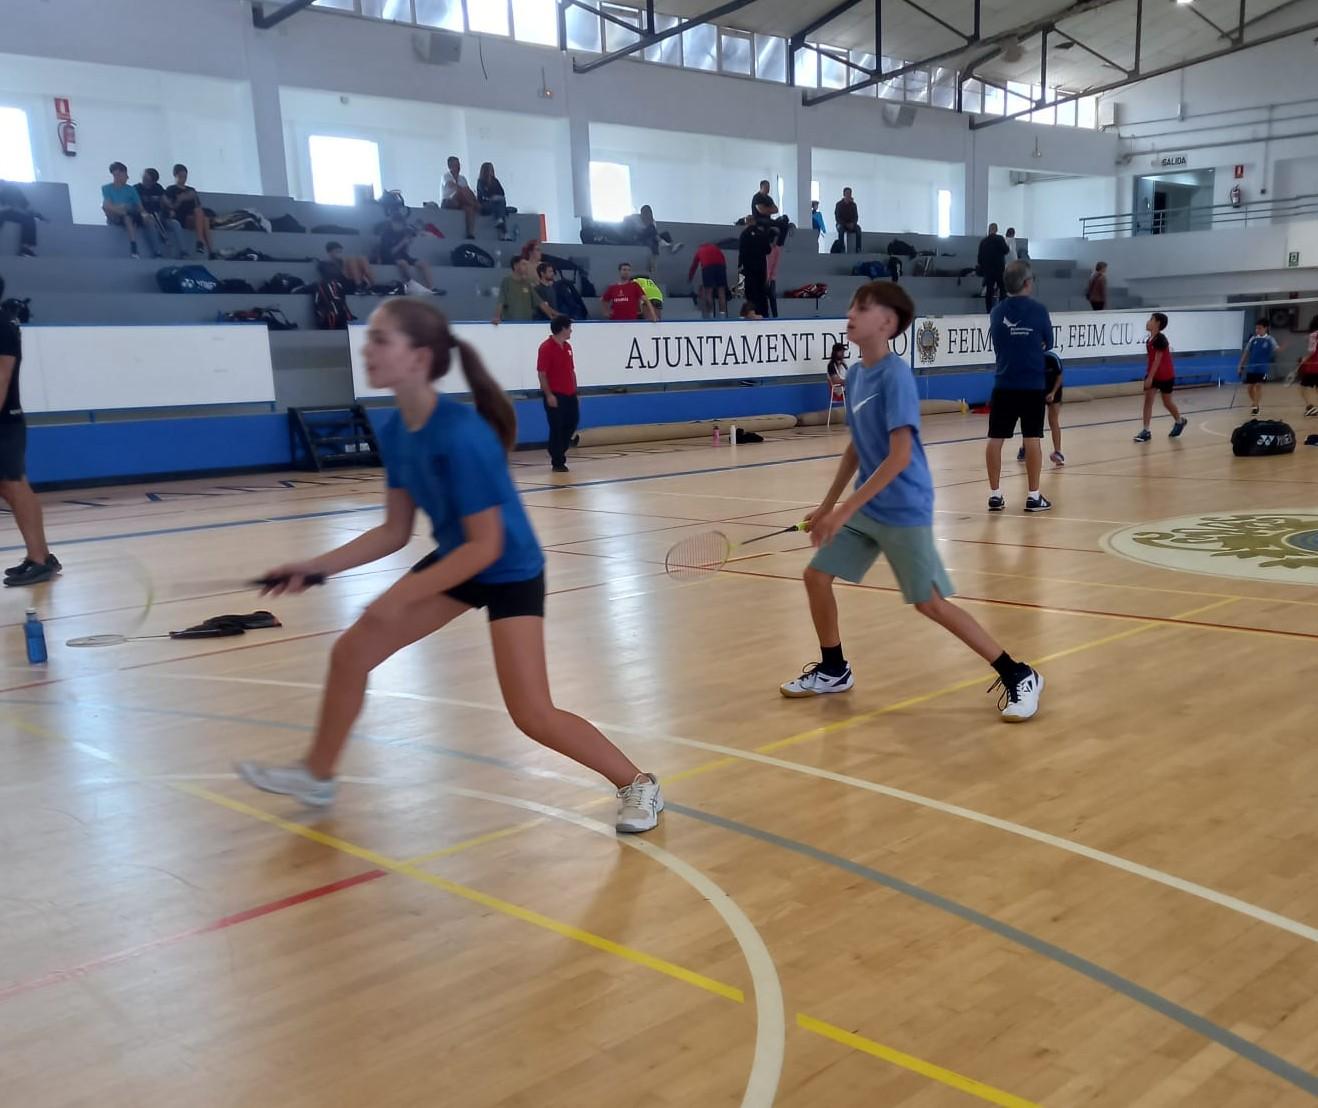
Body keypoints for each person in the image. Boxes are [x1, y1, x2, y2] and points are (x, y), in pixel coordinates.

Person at [236, 299, 663, 832]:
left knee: (532, 713)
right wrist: (315, 567)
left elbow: (486, 546)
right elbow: (394, 531)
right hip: (460, 561)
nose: (368, 349)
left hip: (508, 569)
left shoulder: (461, 433)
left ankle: (638, 783)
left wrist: (399, 596)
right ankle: (316, 776)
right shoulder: (398, 431)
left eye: (381, 340)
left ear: (418, 358)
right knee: (351, 654)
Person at [780, 279, 1044, 722]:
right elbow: (857, 446)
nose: (850, 313)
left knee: (930, 602)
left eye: (861, 308)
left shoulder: (896, 376)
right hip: (869, 504)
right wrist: (827, 505)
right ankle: (834, 669)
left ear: (887, 323)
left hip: (903, 507)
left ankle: (1018, 674)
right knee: (816, 577)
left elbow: (900, 455)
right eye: (852, 306)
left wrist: (843, 510)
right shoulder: (857, 374)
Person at [0, 278, 60, 587]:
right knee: (11, 486)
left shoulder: (1, 325)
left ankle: (39, 559)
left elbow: (2, 376)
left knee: (14, 485)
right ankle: (41, 557)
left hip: (4, 420)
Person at [985, 260, 1053, 514]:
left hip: (1004, 383)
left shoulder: (996, 312)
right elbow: (1049, 342)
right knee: (1032, 437)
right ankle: (1033, 496)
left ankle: (995, 494)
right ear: (1027, 283)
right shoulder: (1039, 310)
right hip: (1032, 384)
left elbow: (997, 342)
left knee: (995, 438)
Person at [1134, 312, 1187, 442]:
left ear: (1157, 323)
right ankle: (1146, 431)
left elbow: (1157, 360)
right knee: (1148, 401)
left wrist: (1150, 377)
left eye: (1151, 319)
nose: (1148, 322)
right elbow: (1151, 360)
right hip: (1154, 375)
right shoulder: (1149, 340)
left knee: (1167, 402)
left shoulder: (1161, 340)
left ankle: (1179, 421)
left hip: (1166, 376)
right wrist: (1149, 375)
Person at [538, 315, 579, 473]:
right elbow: (542, 374)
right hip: (555, 394)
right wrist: (549, 395)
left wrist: (575, 391)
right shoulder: (546, 348)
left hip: (570, 394)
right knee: (556, 426)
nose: (571, 331)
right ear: (562, 329)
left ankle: (556, 449)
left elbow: (571, 370)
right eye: (569, 328)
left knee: (572, 422)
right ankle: (558, 461)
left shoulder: (568, 347)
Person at [1016, 349, 1066, 465]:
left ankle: (1058, 451)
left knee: (1053, 420)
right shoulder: (1029, 358)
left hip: (1054, 390)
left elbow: (1059, 376)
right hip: (1038, 390)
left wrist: (1053, 393)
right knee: (1031, 420)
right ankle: (1025, 448)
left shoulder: (1052, 358)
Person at [378, 209, 436, 295]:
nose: (398, 226)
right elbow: (390, 252)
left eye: (400, 224)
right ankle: (410, 285)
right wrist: (402, 243)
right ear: (392, 223)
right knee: (403, 263)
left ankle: (431, 288)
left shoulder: (403, 232)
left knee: (424, 264)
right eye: (396, 223)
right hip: (388, 257)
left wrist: (408, 242)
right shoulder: (386, 234)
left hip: (403, 256)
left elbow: (405, 250)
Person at [164, 164, 215, 259]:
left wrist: (189, 197)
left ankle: (209, 250)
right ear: (175, 175)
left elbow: (198, 206)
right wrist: (180, 200)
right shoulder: (171, 189)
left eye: (185, 177)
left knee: (204, 218)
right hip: (181, 218)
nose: (183, 179)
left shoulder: (191, 190)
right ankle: (201, 243)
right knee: (201, 216)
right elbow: (170, 207)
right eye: (181, 176)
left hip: (194, 216)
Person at [102, 162, 149, 258]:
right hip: (115, 215)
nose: (127, 177)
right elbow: (107, 205)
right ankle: (123, 212)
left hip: (130, 215)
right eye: (124, 174)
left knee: (127, 216)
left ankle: (134, 247)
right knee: (106, 206)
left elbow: (140, 207)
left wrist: (144, 215)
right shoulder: (106, 188)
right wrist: (121, 207)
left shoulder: (131, 189)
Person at [136, 168, 185, 258]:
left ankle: (183, 251)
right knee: (151, 222)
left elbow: (165, 201)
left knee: (175, 224)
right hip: (145, 217)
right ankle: (157, 252)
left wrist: (171, 209)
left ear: (153, 181)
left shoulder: (157, 188)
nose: (145, 181)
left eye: (147, 179)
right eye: (144, 178)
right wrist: (145, 214)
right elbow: (136, 206)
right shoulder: (136, 188)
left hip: (160, 216)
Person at [1238, 317, 1279, 416]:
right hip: (1252, 368)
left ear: (1266, 328)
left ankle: (1255, 406)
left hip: (1263, 368)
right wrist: (1240, 365)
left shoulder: (1270, 339)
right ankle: (1255, 403)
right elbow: (1246, 353)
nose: (1257, 330)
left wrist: (1282, 347)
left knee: (1258, 385)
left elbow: (1277, 349)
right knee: (1250, 388)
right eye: (1256, 328)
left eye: (1259, 328)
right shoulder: (1253, 339)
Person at [738, 214, 773, 318]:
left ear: (747, 222)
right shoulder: (762, 234)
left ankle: (752, 313)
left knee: (751, 292)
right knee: (762, 292)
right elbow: (768, 250)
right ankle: (764, 314)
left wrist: (739, 265)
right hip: (761, 268)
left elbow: (742, 251)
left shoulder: (744, 234)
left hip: (749, 268)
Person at [441, 156, 480, 239]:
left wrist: (475, 199)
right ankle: (476, 206)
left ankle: (470, 233)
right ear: (450, 166)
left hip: (460, 202)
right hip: (448, 201)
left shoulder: (462, 178)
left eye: (459, 165)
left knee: (469, 208)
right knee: (461, 191)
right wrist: (464, 191)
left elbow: (469, 191)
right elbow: (451, 185)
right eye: (456, 165)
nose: (458, 167)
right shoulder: (446, 176)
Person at [0, 182, 41, 258]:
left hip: (12, 212)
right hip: (5, 212)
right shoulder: (8, 191)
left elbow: (24, 207)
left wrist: (34, 214)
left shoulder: (14, 191)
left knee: (29, 219)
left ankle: (25, 247)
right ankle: (24, 247)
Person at [492, 256, 537, 325]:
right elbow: (501, 300)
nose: (526, 267)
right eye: (523, 264)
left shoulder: (528, 283)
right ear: (516, 266)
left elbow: (539, 302)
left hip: (527, 323)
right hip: (510, 323)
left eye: (526, 265)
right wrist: (497, 317)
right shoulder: (507, 281)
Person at [689, 242, 728, 319]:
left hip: (708, 268)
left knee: (708, 293)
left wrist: (690, 277)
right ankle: (722, 316)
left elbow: (694, 265)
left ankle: (710, 316)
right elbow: (723, 259)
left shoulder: (700, 250)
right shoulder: (716, 248)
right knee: (721, 292)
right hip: (721, 267)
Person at [976, 223, 1010, 313]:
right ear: (996, 230)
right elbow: (1006, 250)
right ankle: (1002, 309)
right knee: (1002, 289)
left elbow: (979, 258)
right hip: (999, 269)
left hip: (988, 270)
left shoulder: (984, 241)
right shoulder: (1000, 239)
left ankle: (989, 310)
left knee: (989, 290)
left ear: (989, 229)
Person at [475, 162, 513, 241]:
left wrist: (496, 197)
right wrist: (492, 197)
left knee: (500, 203)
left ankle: (500, 223)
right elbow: (483, 194)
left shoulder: (495, 181)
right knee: (500, 206)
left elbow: (502, 193)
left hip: (496, 203)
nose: (491, 171)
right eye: (489, 170)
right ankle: (504, 232)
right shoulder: (481, 181)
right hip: (485, 204)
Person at [1297, 314, 1318, 418]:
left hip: (1313, 367)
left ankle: (1310, 407)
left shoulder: (1313, 335)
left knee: (1302, 387)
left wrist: (1304, 359)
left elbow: (1312, 351)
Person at [834, 187, 860, 253]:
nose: (848, 195)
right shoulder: (839, 204)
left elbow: (856, 216)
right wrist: (845, 224)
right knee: (841, 229)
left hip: (851, 224)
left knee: (858, 229)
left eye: (850, 193)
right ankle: (841, 248)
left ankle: (858, 248)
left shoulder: (853, 205)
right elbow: (837, 217)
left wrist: (853, 223)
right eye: (847, 193)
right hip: (841, 224)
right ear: (844, 194)